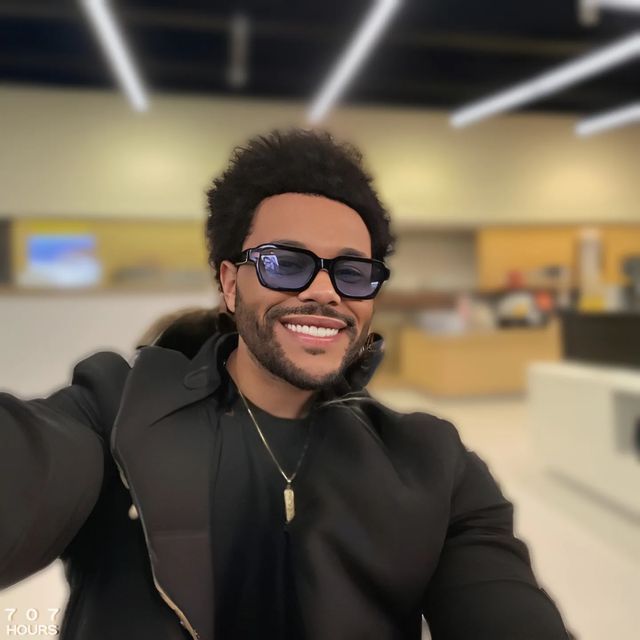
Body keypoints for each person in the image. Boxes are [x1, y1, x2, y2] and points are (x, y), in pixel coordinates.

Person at [0, 128, 574, 640]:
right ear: (230, 284)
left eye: (352, 272)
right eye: (285, 263)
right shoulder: (113, 411)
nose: (326, 292)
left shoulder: (432, 463)